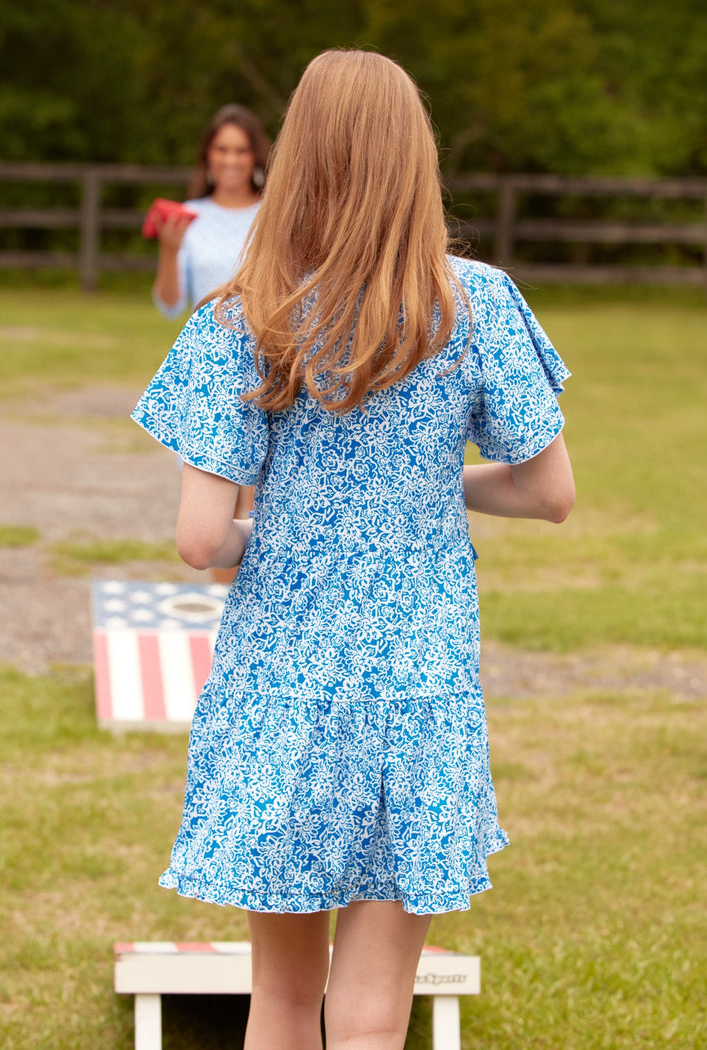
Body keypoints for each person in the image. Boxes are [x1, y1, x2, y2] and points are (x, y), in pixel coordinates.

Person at [132, 49, 575, 1050]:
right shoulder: (479, 303)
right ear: (415, 160)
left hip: (284, 685)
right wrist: (419, 495)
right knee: (374, 1013)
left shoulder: (246, 315)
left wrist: (283, 527)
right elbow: (549, 494)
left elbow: (201, 539)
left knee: (282, 1003)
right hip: (418, 687)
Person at [151, 104, 270, 319]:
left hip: (259, 344)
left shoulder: (271, 216)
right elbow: (170, 307)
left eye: (241, 150)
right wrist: (169, 251)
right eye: (222, 149)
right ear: (208, 155)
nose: (230, 160)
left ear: (255, 156)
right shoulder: (189, 215)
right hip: (205, 347)